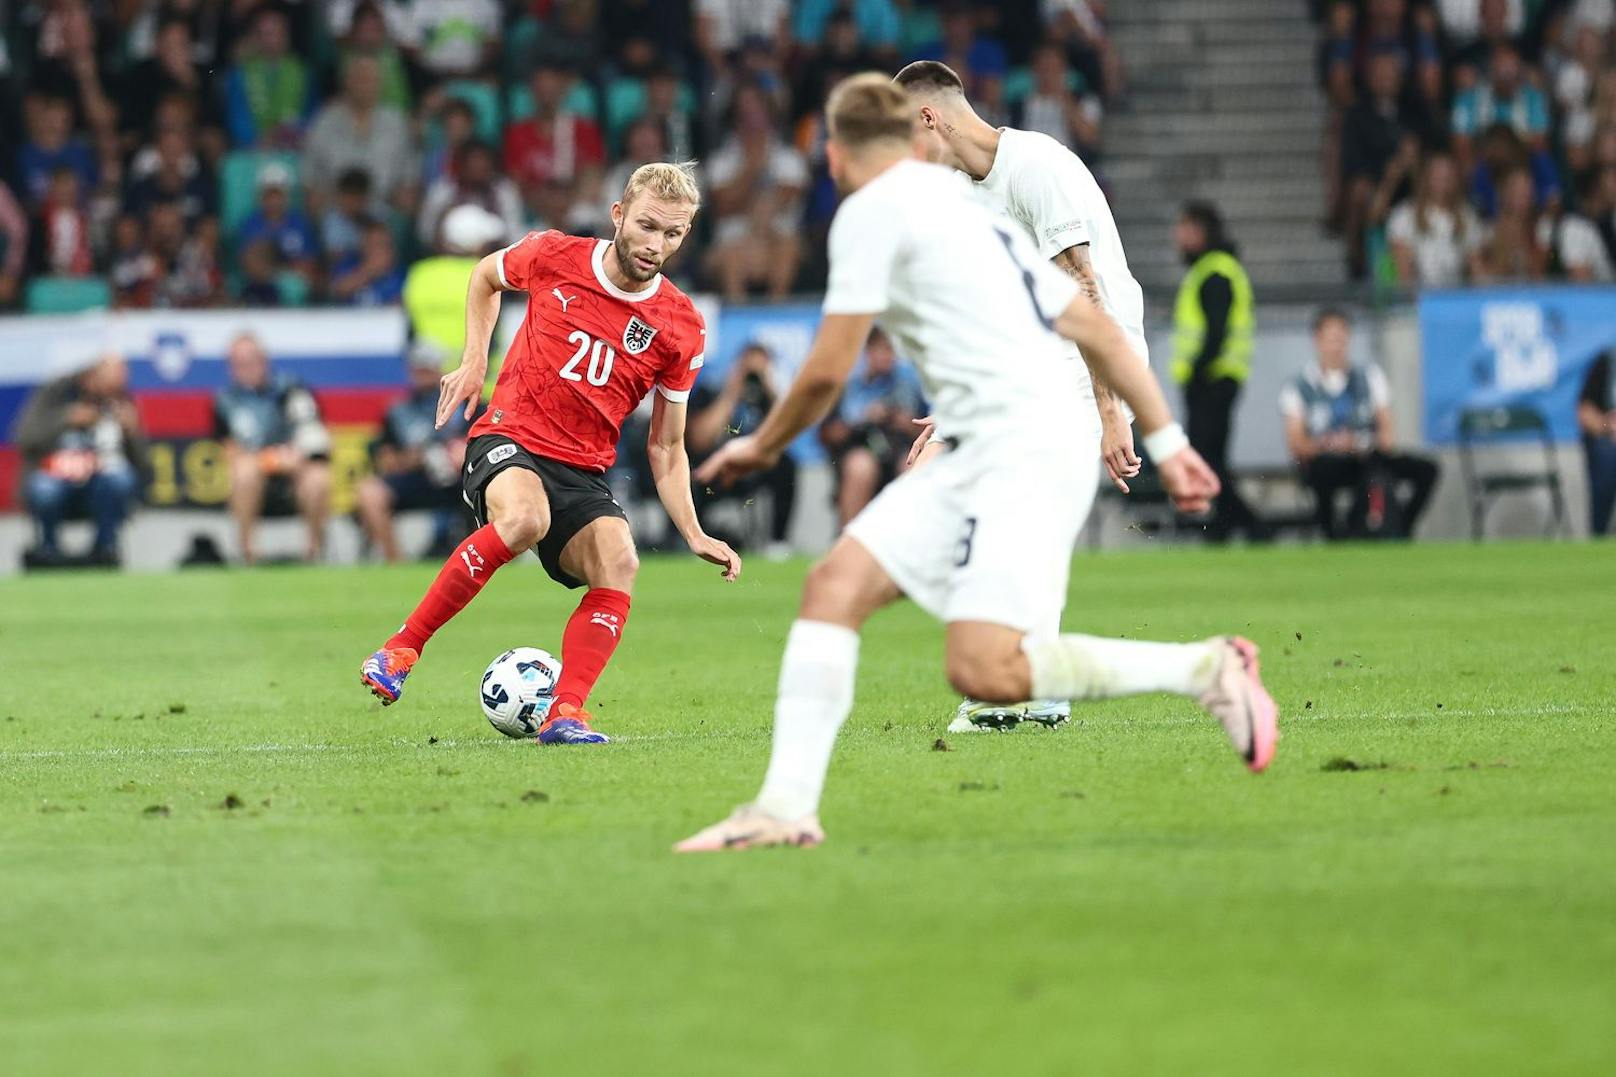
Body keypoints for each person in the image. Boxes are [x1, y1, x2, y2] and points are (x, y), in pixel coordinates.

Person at [675, 75, 1273, 853]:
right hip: (1006, 428)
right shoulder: (960, 206)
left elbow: (826, 371)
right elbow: (1080, 319)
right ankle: (785, 807)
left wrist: (759, 444)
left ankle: (1207, 670)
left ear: (836, 154)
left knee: (986, 668)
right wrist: (1166, 439)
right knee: (838, 590)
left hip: (1025, 442)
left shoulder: (876, 214)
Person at [359, 163, 742, 747]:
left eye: (673, 234)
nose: (655, 244)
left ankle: (566, 713)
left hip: (581, 468)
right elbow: (486, 276)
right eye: (646, 226)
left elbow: (665, 444)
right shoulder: (554, 254)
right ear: (619, 215)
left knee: (621, 563)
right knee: (524, 519)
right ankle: (400, 650)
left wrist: (693, 530)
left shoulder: (680, 327)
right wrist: (474, 361)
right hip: (507, 436)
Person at [894, 58, 1149, 733]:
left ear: (929, 120)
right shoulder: (962, 195)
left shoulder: (1035, 168)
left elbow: (1087, 292)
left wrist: (1109, 410)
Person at [1279, 308, 1439, 539]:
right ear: (1317, 340)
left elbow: (1387, 437)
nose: (1336, 345)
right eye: (1330, 339)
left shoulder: (1370, 377)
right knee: (1320, 471)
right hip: (1327, 461)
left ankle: (1400, 530)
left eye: (1341, 338)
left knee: (1426, 470)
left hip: (1367, 459)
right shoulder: (1298, 386)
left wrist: (1359, 443)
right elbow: (1297, 445)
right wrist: (1332, 445)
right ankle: (1333, 535)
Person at [1172, 200, 1269, 542]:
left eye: (1184, 228)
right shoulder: (1216, 268)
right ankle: (1223, 528)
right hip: (1217, 380)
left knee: (1207, 461)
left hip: (1212, 382)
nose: (1177, 236)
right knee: (1212, 460)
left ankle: (1252, 527)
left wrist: (1197, 373)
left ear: (1200, 231)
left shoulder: (1215, 271)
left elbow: (1216, 332)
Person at [12, 354, 146, 567]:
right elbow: (25, 439)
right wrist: (66, 419)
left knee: (120, 480)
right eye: (109, 380)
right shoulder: (55, 395)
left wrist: (132, 432)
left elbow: (142, 463)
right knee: (44, 488)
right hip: (56, 477)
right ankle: (48, 549)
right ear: (90, 376)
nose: (115, 387)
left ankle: (105, 548)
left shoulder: (121, 401)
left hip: (98, 482)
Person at [214, 333, 332, 564]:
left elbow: (316, 437)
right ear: (231, 368)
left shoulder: (292, 389)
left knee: (318, 477)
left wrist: (297, 456)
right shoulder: (225, 401)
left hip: (297, 470)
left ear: (264, 360)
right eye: (240, 363)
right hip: (255, 472)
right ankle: (248, 555)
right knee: (243, 472)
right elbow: (229, 450)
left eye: (252, 361)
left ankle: (315, 552)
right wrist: (270, 460)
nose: (247, 368)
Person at [355, 343, 472, 562]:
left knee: (493, 484)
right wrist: (420, 458)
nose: (424, 375)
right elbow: (385, 459)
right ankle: (395, 562)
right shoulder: (399, 411)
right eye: (419, 369)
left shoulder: (469, 404)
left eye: (429, 368)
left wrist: (462, 451)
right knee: (369, 491)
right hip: (416, 477)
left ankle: (489, 558)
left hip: (462, 478)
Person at [686, 342, 797, 559]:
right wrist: (731, 392)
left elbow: (786, 432)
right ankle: (698, 536)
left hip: (756, 465)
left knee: (787, 464)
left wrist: (768, 385)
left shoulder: (770, 397)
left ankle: (778, 540)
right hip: (718, 464)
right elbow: (700, 439)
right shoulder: (713, 390)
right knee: (695, 468)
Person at [819, 327, 926, 527]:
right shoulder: (849, 387)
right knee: (861, 466)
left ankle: (908, 542)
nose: (888, 357)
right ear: (868, 352)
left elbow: (930, 428)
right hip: (860, 447)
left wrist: (905, 421)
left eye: (891, 351)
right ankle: (849, 541)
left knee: (913, 465)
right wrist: (863, 419)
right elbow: (828, 433)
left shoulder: (908, 383)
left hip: (900, 448)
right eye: (882, 350)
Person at [1578, 353, 1616, 536]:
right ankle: (1599, 532)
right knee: (1607, 454)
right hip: (1608, 440)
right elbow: (1585, 413)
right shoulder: (1607, 362)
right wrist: (1607, 426)